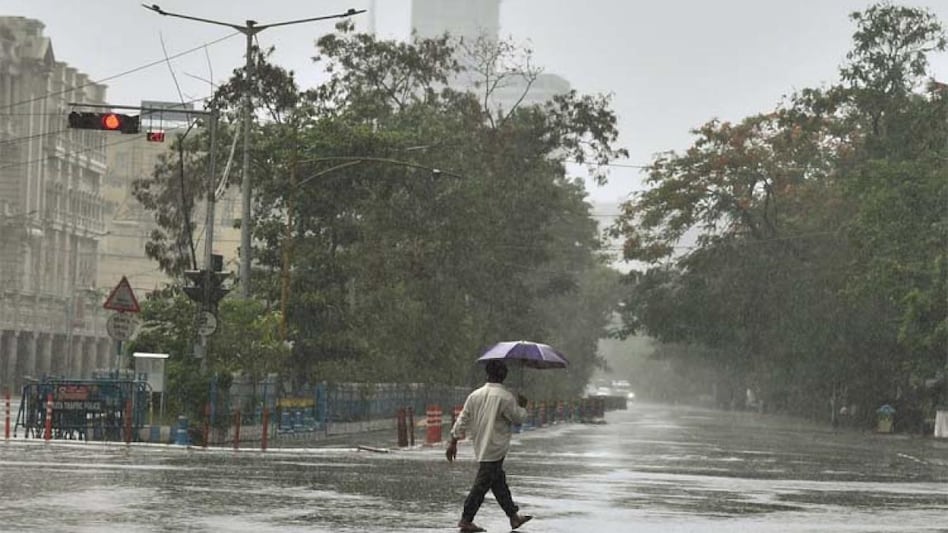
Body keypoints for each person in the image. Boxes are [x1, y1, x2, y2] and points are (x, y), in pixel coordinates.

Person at [446, 360, 533, 533]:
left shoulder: (475, 395)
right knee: (482, 485)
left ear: (487, 374)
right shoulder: (506, 397)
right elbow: (518, 419)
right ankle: (466, 519)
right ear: (504, 376)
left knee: (498, 482)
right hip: (496, 447)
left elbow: (463, 418)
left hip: (480, 443)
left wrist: (453, 441)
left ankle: (513, 517)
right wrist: (522, 406)